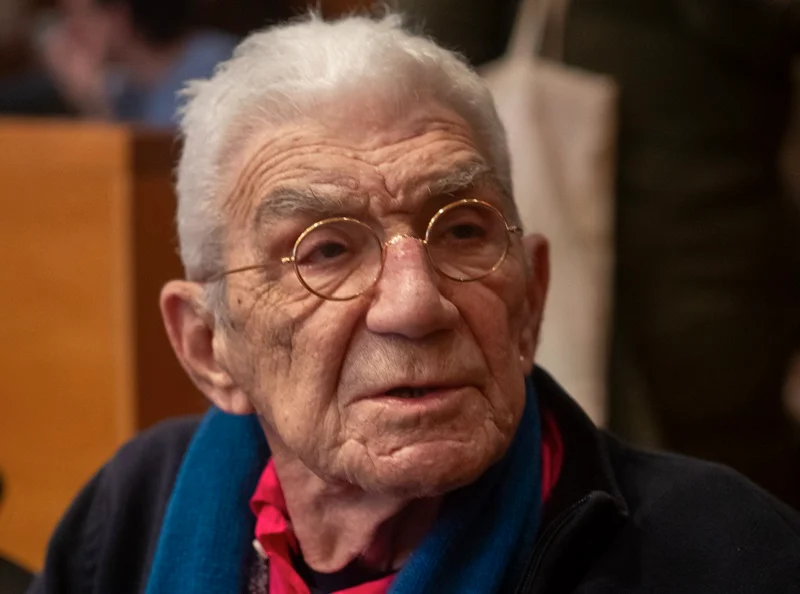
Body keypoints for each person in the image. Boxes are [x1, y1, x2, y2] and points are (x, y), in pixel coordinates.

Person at [27, 14, 800, 594]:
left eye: (461, 231)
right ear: (208, 346)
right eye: (326, 251)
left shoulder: (723, 556)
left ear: (530, 298)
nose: (415, 303)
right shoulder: (136, 510)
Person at [36, 0, 237, 126]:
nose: (69, 33)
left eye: (78, 17)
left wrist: (91, 101)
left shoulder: (214, 66)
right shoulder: (124, 87)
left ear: (118, 16)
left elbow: (153, 166)